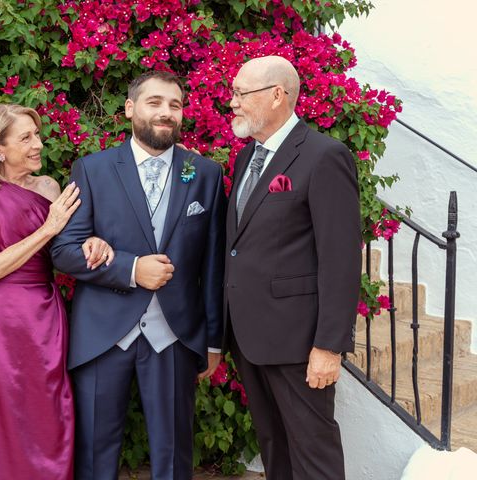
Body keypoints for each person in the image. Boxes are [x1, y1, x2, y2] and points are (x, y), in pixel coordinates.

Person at [51, 70, 227, 480]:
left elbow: (214, 264)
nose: (166, 113)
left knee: (173, 455)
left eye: (175, 105)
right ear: (130, 108)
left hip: (174, 335)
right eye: (155, 102)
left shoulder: (205, 174)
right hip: (103, 336)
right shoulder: (92, 170)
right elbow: (64, 251)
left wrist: (214, 340)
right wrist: (131, 269)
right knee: (95, 454)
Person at [0, 104, 113, 479]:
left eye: (37, 135)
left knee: (49, 411)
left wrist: (93, 242)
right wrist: (49, 226)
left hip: (44, 314)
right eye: (26, 137)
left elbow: (63, 250)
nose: (38, 144)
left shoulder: (48, 187)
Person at [224, 56, 361, 480]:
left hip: (300, 343)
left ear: (277, 95)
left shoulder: (324, 156)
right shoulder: (247, 158)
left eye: (241, 94)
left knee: (312, 454)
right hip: (251, 337)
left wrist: (329, 346)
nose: (232, 104)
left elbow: (341, 259)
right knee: (274, 447)